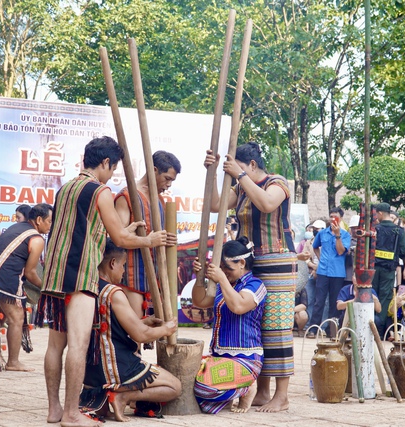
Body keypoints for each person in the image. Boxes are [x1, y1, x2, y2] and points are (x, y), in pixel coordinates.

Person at [35, 136, 168, 427]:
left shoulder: (66, 188)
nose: (113, 173)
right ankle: (72, 414)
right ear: (105, 162)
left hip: (55, 275)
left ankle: (55, 409)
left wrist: (129, 230)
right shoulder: (100, 190)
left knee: (56, 346)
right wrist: (149, 239)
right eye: (113, 167)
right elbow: (119, 239)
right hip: (81, 275)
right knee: (79, 345)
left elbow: (102, 231)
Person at [204, 142, 296, 413]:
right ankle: (263, 390)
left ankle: (282, 395)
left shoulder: (277, 183)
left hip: (278, 260)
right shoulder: (240, 187)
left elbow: (267, 204)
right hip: (252, 262)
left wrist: (240, 176)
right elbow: (215, 205)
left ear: (252, 165)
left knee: (277, 328)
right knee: (258, 325)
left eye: (241, 168)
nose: (237, 174)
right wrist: (211, 172)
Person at [79, 240, 180, 421]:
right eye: (123, 265)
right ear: (112, 263)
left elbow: (108, 324)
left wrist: (145, 321)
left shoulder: (87, 287)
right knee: (175, 387)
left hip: (90, 373)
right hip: (115, 368)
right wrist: (166, 329)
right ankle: (123, 396)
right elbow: (140, 335)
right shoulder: (113, 293)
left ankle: (108, 397)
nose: (124, 271)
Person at [0, 203, 52, 372]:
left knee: (4, 315)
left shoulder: (18, 227)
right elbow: (30, 273)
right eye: (49, 221)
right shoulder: (36, 239)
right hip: (2, 276)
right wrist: (45, 287)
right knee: (16, 317)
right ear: (38, 220)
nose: (51, 226)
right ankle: (13, 362)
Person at [191, 237, 267, 414]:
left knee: (203, 389)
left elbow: (238, 306)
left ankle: (247, 387)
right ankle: (229, 393)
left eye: (228, 268)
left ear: (242, 263)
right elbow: (199, 300)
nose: (224, 272)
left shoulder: (255, 285)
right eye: (222, 268)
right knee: (186, 383)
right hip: (218, 357)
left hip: (246, 359)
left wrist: (221, 280)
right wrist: (199, 278)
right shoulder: (223, 286)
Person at [114, 150, 180, 318]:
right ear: (154, 170)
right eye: (167, 179)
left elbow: (159, 235)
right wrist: (148, 241)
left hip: (156, 278)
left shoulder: (159, 199)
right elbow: (117, 239)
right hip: (132, 276)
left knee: (157, 327)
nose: (169, 185)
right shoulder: (127, 196)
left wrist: (167, 239)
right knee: (135, 330)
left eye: (172, 180)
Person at [311, 209, 351, 337]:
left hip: (337, 273)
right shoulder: (322, 233)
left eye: (336, 217)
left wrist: (337, 235)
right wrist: (320, 257)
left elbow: (340, 251)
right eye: (331, 216)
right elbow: (315, 246)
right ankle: (313, 329)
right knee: (319, 301)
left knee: (335, 302)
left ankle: (332, 330)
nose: (333, 219)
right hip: (323, 270)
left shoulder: (345, 235)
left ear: (341, 219)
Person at [372, 203, 405, 336]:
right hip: (389, 270)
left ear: (380, 213)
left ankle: (368, 329)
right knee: (384, 299)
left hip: (373, 269)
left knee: (371, 296)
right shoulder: (399, 231)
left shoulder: (375, 229)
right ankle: (379, 333)